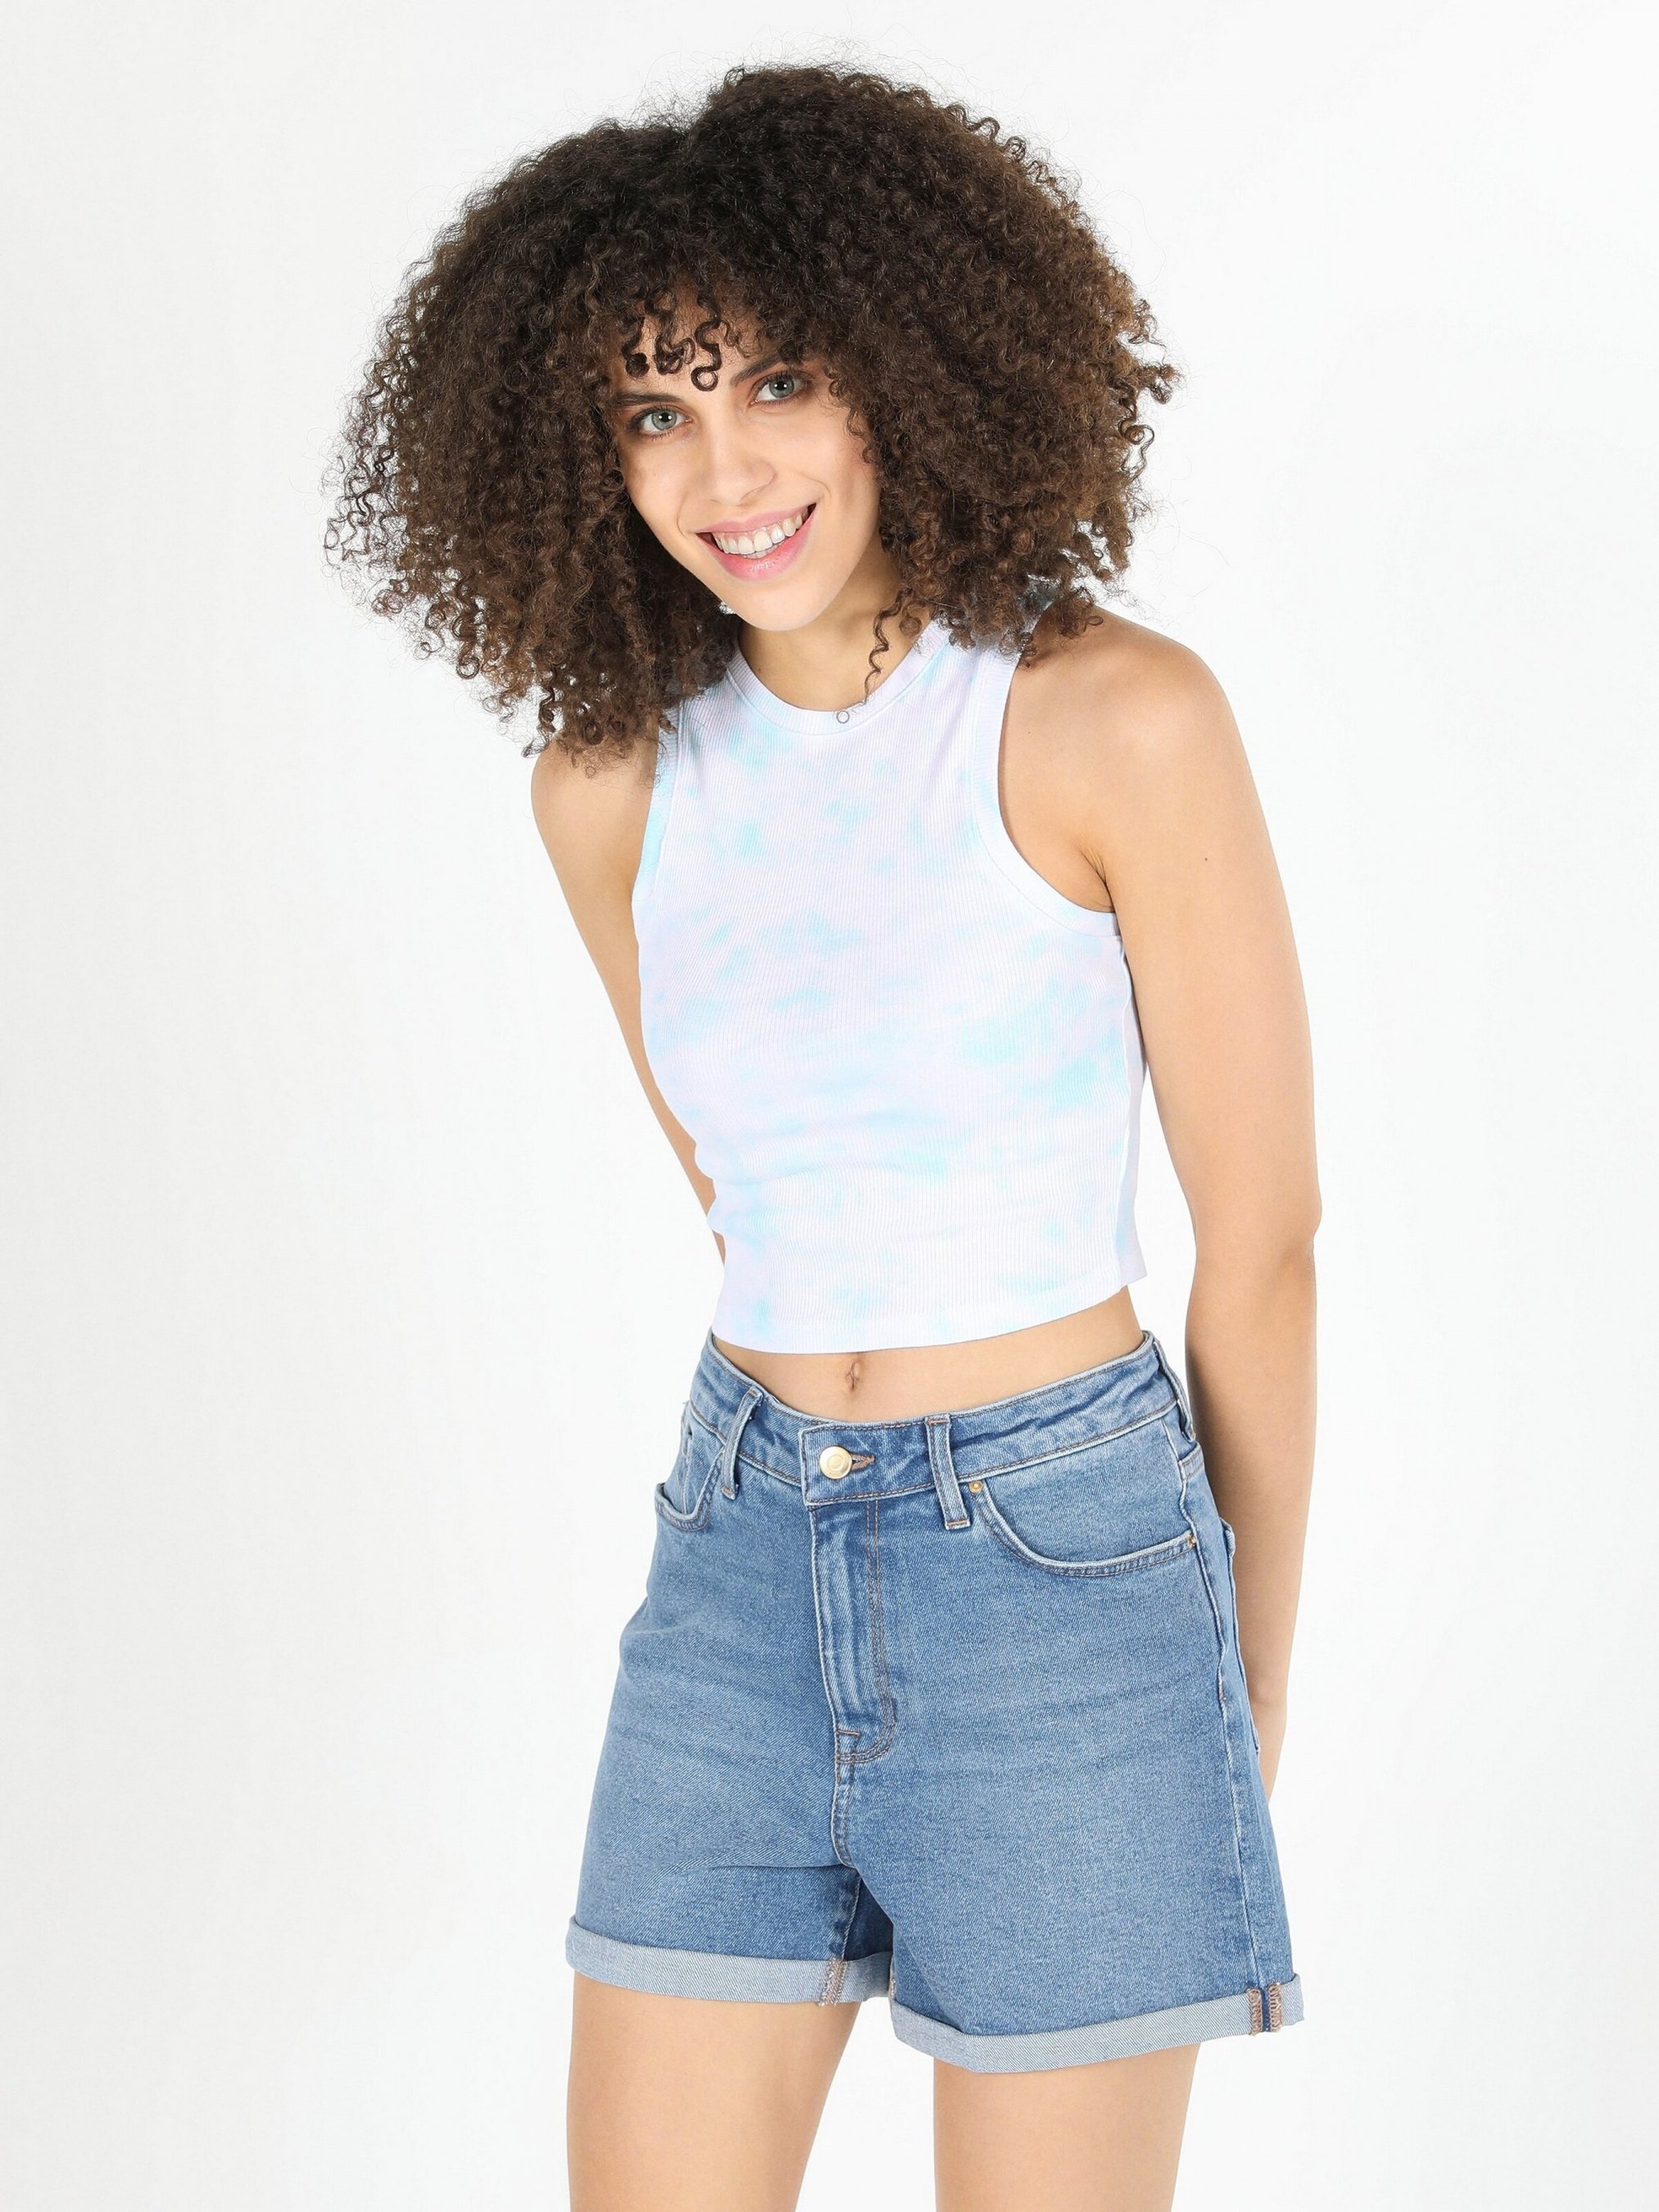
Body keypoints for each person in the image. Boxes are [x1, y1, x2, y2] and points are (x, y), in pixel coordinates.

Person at [327, 58, 1319, 2212]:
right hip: (737, 1557)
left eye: (778, 378)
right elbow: (746, 1189)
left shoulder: (1108, 719)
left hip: (1068, 1573)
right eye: (653, 410)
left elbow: (1260, 1248)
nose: (726, 469)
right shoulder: (604, 790)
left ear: (907, 369)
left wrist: (1233, 1693)